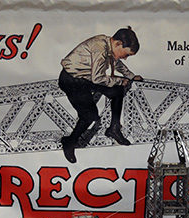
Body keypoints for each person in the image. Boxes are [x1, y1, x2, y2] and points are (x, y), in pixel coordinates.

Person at [58, 27, 144, 163]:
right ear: (118, 44)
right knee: (89, 116)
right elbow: (98, 78)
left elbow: (117, 63)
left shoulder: (109, 45)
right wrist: (120, 80)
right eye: (126, 54)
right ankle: (69, 142)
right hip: (72, 80)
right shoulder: (100, 48)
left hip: (87, 78)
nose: (125, 58)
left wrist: (131, 76)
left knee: (117, 91)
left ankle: (114, 129)